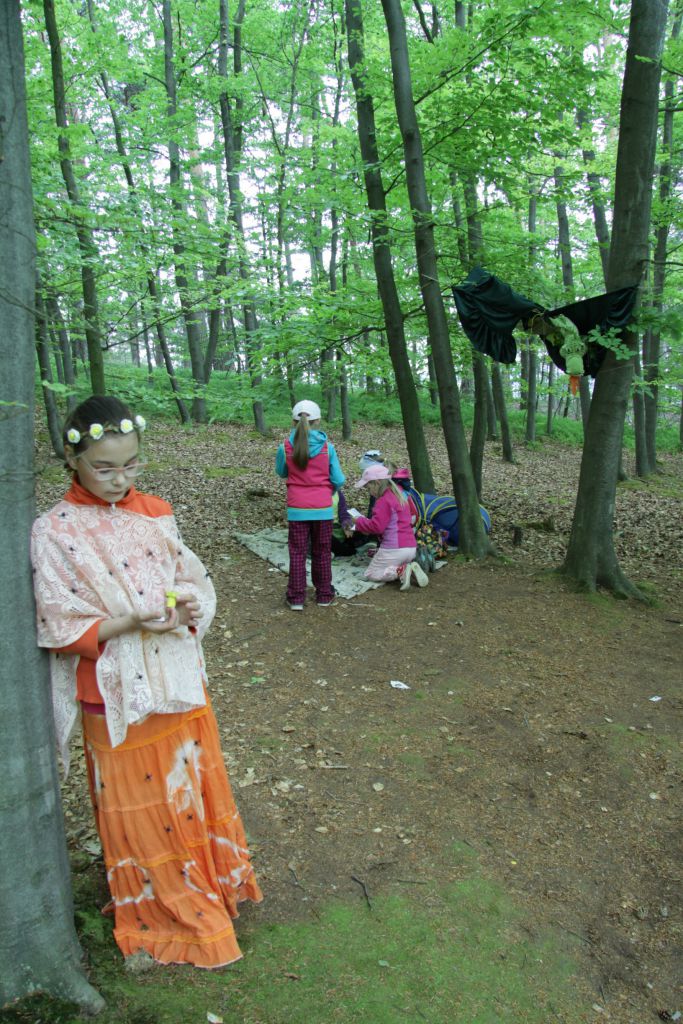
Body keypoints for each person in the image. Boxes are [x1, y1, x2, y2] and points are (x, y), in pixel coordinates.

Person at [31, 395, 262, 968]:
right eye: (104, 468)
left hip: (176, 677)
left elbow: (191, 579)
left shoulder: (157, 511)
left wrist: (188, 608)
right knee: (137, 808)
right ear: (72, 458)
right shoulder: (53, 530)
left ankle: (206, 886)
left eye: (131, 464)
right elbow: (59, 625)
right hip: (110, 692)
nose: (120, 479)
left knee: (188, 794)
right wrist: (130, 621)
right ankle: (160, 907)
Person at [275, 399, 345, 609]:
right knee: (322, 551)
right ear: (318, 421)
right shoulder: (327, 448)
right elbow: (339, 479)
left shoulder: (285, 447)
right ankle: (324, 595)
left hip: (297, 509)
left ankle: (296, 598)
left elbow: (281, 472)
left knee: (297, 552)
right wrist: (329, 490)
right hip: (323, 509)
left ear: (293, 422)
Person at [349, 464, 428, 590]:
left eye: (369, 488)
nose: (370, 492)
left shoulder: (383, 500)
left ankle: (401, 571)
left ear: (377, 483)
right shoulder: (399, 494)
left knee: (371, 573)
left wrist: (359, 521)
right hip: (410, 547)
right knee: (387, 566)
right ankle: (408, 569)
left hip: (394, 549)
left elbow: (377, 527)